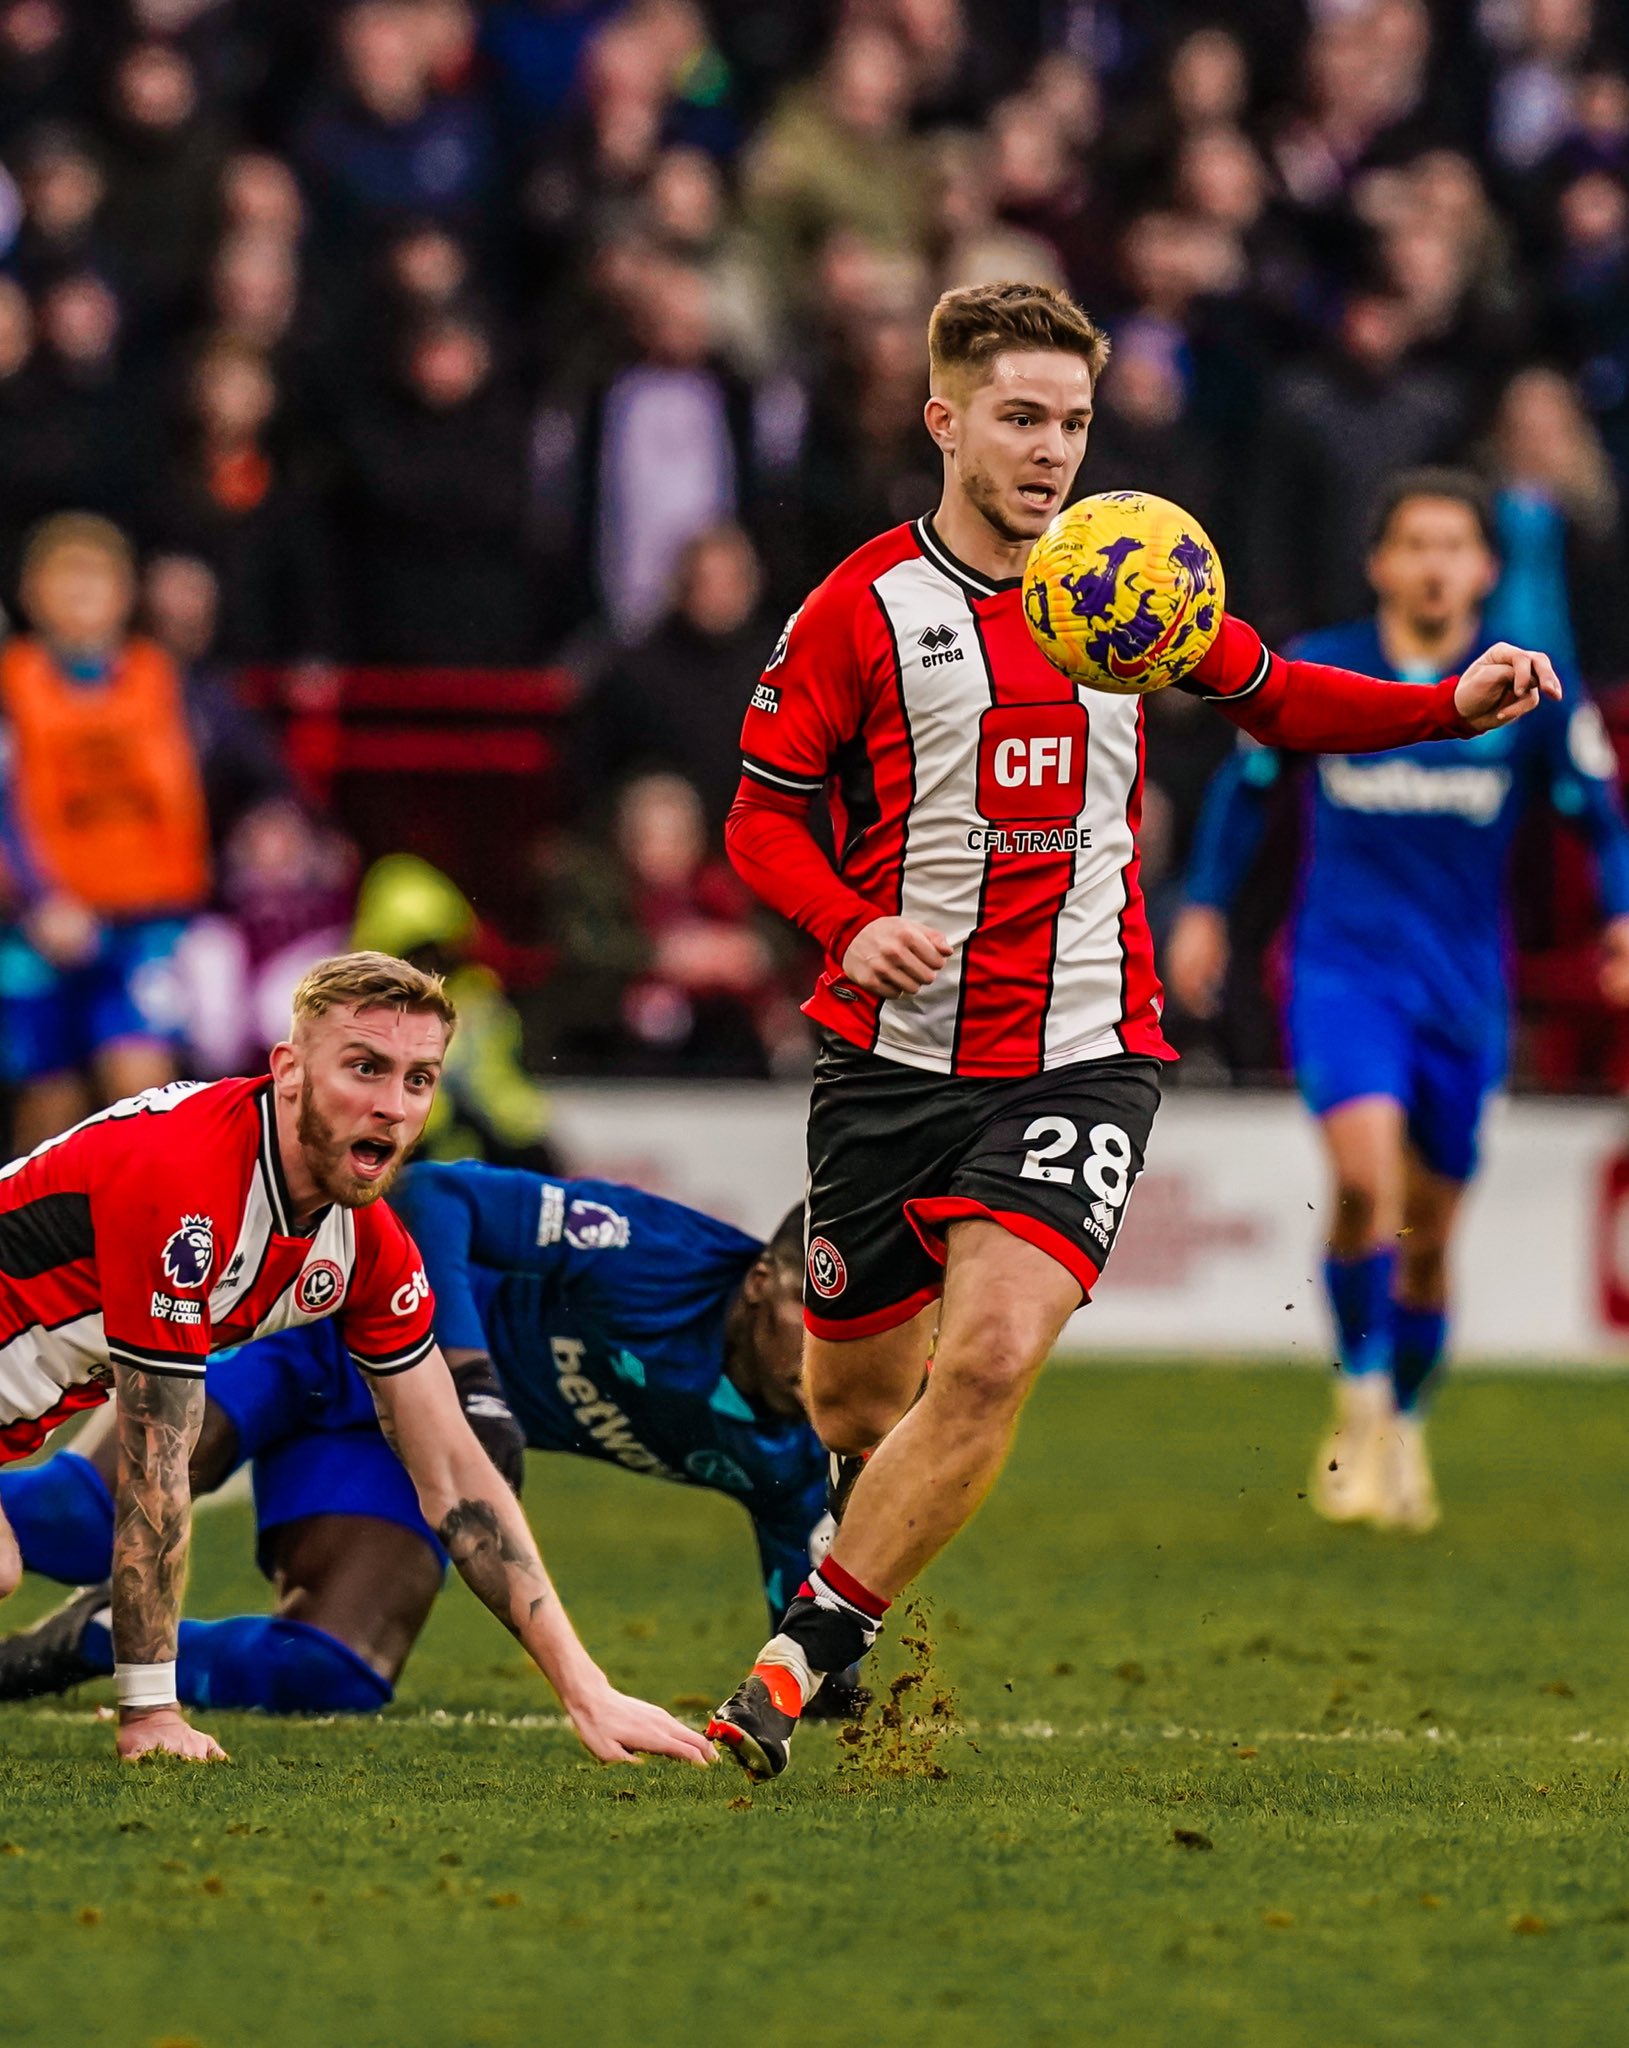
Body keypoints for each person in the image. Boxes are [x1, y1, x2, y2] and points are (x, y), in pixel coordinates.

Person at [704, 278, 1563, 1782]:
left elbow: (1280, 697)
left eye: (1074, 422)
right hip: (894, 1055)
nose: (1051, 451)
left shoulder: (1127, 583)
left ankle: (797, 1660)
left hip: (1090, 1043)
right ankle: (848, 1517)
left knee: (988, 1364)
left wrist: (1443, 707)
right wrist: (849, 924)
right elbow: (761, 821)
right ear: (944, 421)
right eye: (1021, 419)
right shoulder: (862, 609)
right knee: (850, 1394)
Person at [0, 948, 710, 1771]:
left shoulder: (368, 1246)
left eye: (417, 1079)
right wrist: (151, 1710)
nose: (392, 1106)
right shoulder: (188, 1177)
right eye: (364, 1068)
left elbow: (453, 1472)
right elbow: (155, 1467)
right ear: (289, 1069)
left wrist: (588, 1688)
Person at [1166, 469, 1629, 1531]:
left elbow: (1597, 819)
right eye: (1412, 544)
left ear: (1484, 568)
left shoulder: (1526, 689)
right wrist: (1203, 910)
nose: (1431, 564)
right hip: (1341, 970)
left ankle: (1408, 1422)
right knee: (1367, 1188)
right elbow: (1247, 795)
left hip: (1466, 990)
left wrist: (1620, 918)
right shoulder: (1320, 670)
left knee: (1428, 1239)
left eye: (1451, 545)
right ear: (1379, 562)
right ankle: (1362, 1401)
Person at [0, 1162, 836, 1716]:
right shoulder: (658, 1255)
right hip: (313, 1324)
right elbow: (436, 1194)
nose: (833, 1351)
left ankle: (93, 1636)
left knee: (332, 1674)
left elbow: (807, 1616)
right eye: (816, 1314)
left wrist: (827, 1684)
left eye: (862, 1331)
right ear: (761, 1282)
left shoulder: (808, 1451)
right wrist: (472, 1377)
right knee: (89, 1525)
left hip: (390, 1433)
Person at [0, 514, 211, 1154]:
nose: (82, 595)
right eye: (65, 578)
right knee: (50, 1100)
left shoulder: (161, 680)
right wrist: (40, 904)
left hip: (145, 922)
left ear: (127, 593)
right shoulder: (13, 685)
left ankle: (152, 1245)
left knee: (144, 1091)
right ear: (32, 592)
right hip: (39, 928)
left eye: (97, 578)